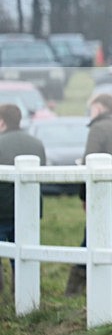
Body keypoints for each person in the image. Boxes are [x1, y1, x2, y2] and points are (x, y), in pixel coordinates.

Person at [65, 93, 112, 297]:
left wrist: (84, 195)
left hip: (103, 192)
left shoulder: (97, 129)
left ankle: (74, 290)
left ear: (98, 107)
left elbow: (89, 162)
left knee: (92, 237)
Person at [0, 103, 46, 292]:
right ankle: (23, 292)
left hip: (2, 209)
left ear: (2, 121)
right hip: (30, 208)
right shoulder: (36, 143)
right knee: (24, 254)